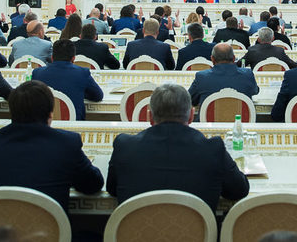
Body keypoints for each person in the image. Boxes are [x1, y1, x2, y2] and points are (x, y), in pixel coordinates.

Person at [106, 83, 249, 211]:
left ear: (150, 117)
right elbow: (239, 190)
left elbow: (112, 189)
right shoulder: (213, 149)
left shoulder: (124, 146)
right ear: (191, 115)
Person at [0, 81, 103, 207]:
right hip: (49, 221)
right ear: (50, 114)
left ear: (12, 111)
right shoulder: (66, 144)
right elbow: (93, 185)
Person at [32, 40, 103, 120]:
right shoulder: (82, 73)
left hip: (43, 124)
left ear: (52, 57)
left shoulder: (37, 73)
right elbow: (98, 96)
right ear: (73, 58)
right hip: (74, 125)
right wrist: (80, 92)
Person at [188, 43, 259, 108]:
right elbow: (255, 91)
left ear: (212, 59)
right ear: (234, 59)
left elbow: (190, 100)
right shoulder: (247, 75)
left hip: (208, 118)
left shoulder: (202, 77)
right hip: (241, 118)